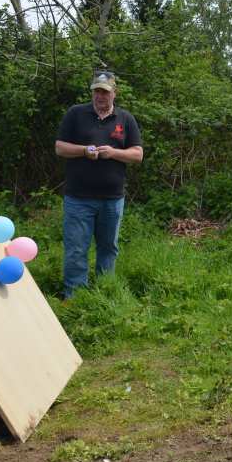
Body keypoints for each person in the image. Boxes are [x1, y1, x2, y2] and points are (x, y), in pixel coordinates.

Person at [55, 70, 143, 298]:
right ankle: (74, 297)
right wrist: (84, 150)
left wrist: (113, 153)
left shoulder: (125, 119)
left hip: (112, 200)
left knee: (108, 248)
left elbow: (137, 154)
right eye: (96, 91)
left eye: (104, 92)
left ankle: (105, 293)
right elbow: (60, 148)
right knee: (76, 249)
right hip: (78, 198)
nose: (100, 96)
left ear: (114, 93)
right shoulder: (76, 114)